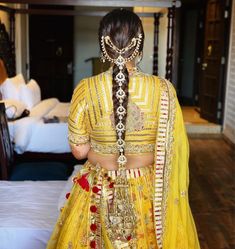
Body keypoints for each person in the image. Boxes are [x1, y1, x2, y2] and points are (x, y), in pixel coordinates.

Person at [47, 8, 201, 249]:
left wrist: (102, 149)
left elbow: (78, 151)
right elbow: (173, 149)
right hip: (150, 191)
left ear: (103, 46)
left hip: (99, 189)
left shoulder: (86, 88)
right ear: (139, 46)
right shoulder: (163, 90)